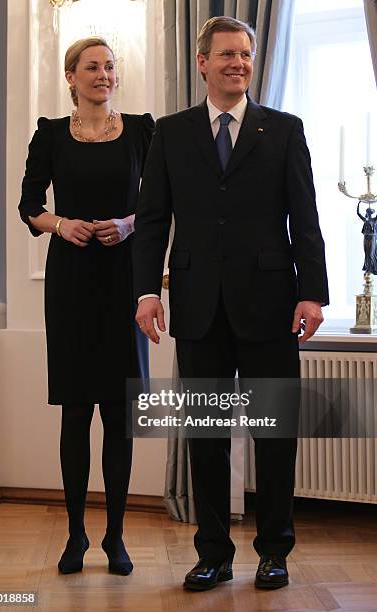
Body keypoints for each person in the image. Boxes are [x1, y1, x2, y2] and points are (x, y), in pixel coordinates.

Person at [134, 17, 328, 591]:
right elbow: (151, 223)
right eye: (226, 55)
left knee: (273, 434)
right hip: (197, 306)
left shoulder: (285, 130)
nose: (238, 63)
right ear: (202, 62)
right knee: (207, 435)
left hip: (271, 305)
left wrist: (312, 292)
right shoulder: (169, 134)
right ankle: (213, 553)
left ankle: (275, 552)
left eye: (245, 54)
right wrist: (147, 291)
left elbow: (306, 219)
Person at [18, 37, 154, 576]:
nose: (104, 74)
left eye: (110, 67)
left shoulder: (143, 128)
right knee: (76, 412)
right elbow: (30, 205)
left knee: (119, 413)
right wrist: (60, 224)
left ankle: (115, 537)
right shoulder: (50, 134)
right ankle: (75, 536)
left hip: (124, 277)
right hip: (72, 277)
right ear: (71, 77)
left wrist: (129, 223)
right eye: (92, 67)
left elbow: (161, 203)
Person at [357, 203, 377, 275]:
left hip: (372, 237)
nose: (368, 213)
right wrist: (359, 204)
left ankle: (372, 268)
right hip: (366, 237)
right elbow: (358, 213)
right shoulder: (365, 220)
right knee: (367, 253)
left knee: (371, 253)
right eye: (368, 212)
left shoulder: (375, 220)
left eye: (370, 212)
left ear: (371, 213)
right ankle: (368, 268)